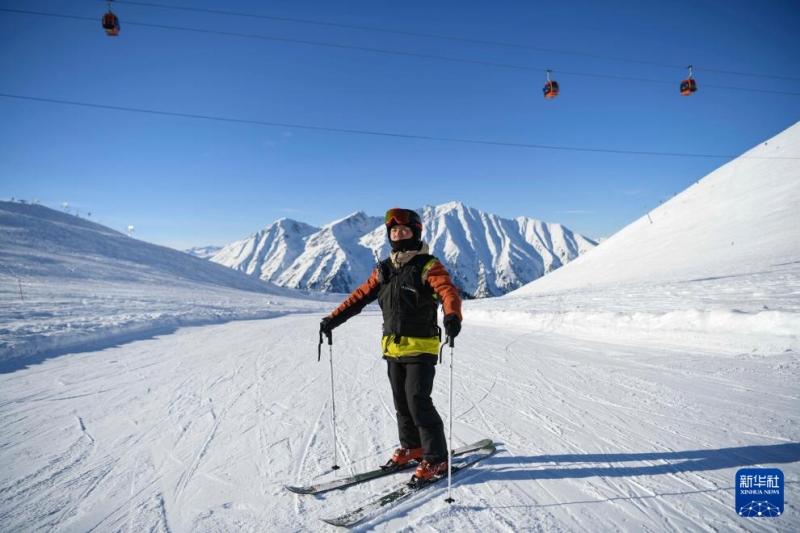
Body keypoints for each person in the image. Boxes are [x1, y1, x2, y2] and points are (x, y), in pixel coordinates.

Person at [319, 207, 463, 484]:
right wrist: (332, 320)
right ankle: (413, 447)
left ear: (415, 233)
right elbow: (359, 297)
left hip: (421, 346)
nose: (398, 235)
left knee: (418, 402)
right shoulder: (384, 269)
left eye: (404, 231)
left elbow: (448, 291)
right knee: (402, 404)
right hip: (393, 348)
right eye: (394, 231)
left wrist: (452, 316)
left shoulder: (428, 266)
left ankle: (436, 458)